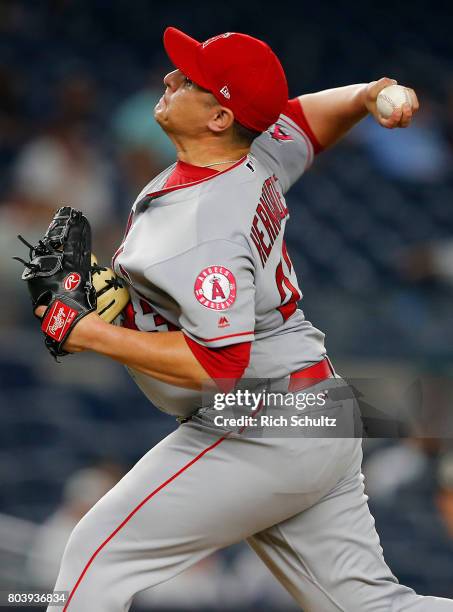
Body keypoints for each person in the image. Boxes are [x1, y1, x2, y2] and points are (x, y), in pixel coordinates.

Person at [37, 27, 453, 611]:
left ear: (219, 117)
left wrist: (90, 332)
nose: (169, 79)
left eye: (191, 80)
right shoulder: (252, 152)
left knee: (95, 555)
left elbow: (220, 364)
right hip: (319, 409)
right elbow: (305, 122)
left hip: (263, 420)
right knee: (370, 606)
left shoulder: (199, 226)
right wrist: (366, 94)